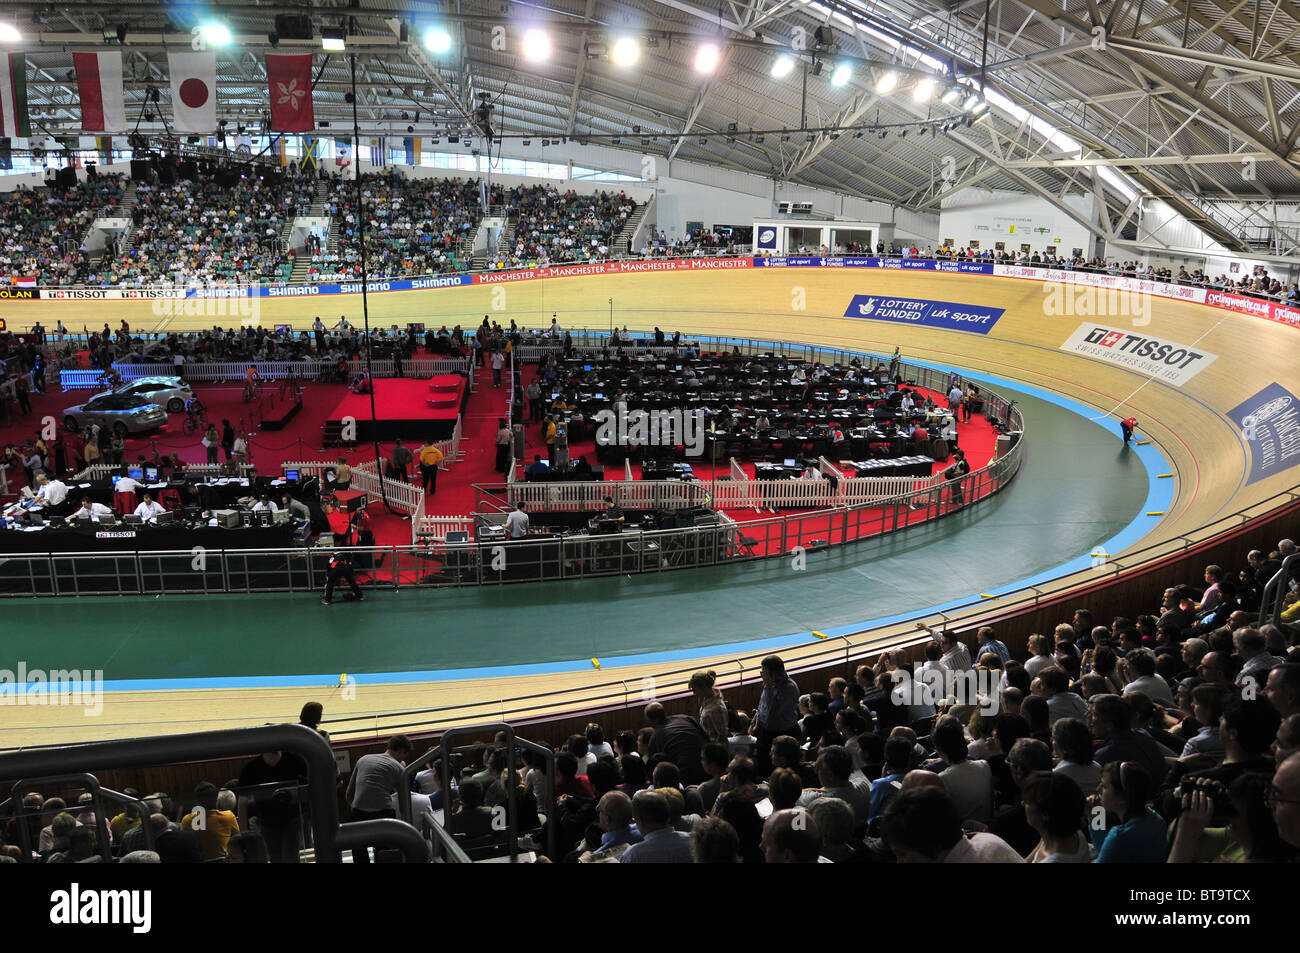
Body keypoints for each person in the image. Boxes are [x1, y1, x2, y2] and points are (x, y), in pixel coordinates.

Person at [345, 734, 412, 864]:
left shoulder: (363, 759)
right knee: (385, 853)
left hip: (358, 812)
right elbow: (404, 804)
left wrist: (356, 811)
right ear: (400, 752)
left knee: (358, 850)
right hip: (383, 813)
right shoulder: (399, 768)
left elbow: (349, 795)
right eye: (404, 755)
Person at [1089, 761, 1166, 862]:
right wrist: (1096, 815)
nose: (1098, 789)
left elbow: (1105, 853)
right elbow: (1106, 852)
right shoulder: (1157, 820)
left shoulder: (1119, 837)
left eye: (1104, 786)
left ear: (1123, 798)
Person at [753, 656, 800, 776]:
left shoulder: (789, 688)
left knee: (779, 771)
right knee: (762, 767)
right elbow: (761, 705)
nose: (761, 675)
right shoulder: (768, 683)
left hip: (783, 734)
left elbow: (770, 714)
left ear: (773, 673)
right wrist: (756, 723)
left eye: (764, 672)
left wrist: (768, 686)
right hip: (765, 732)